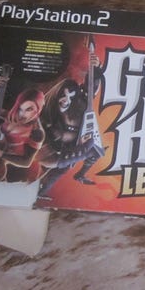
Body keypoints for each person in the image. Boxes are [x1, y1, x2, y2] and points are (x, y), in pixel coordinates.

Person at [37, 52, 102, 196]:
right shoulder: (46, 116)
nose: (66, 100)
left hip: (69, 153)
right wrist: (82, 149)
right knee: (42, 183)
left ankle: (80, 175)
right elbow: (44, 159)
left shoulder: (79, 106)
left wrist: (95, 69)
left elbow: (90, 89)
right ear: (57, 94)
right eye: (63, 95)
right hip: (54, 156)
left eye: (70, 97)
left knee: (51, 180)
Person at [0, 81, 46, 182]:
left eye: (29, 109)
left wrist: (1, 154)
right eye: (20, 109)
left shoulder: (36, 132)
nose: (22, 114)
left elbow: (26, 162)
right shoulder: (15, 115)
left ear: (38, 109)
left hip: (1, 162)